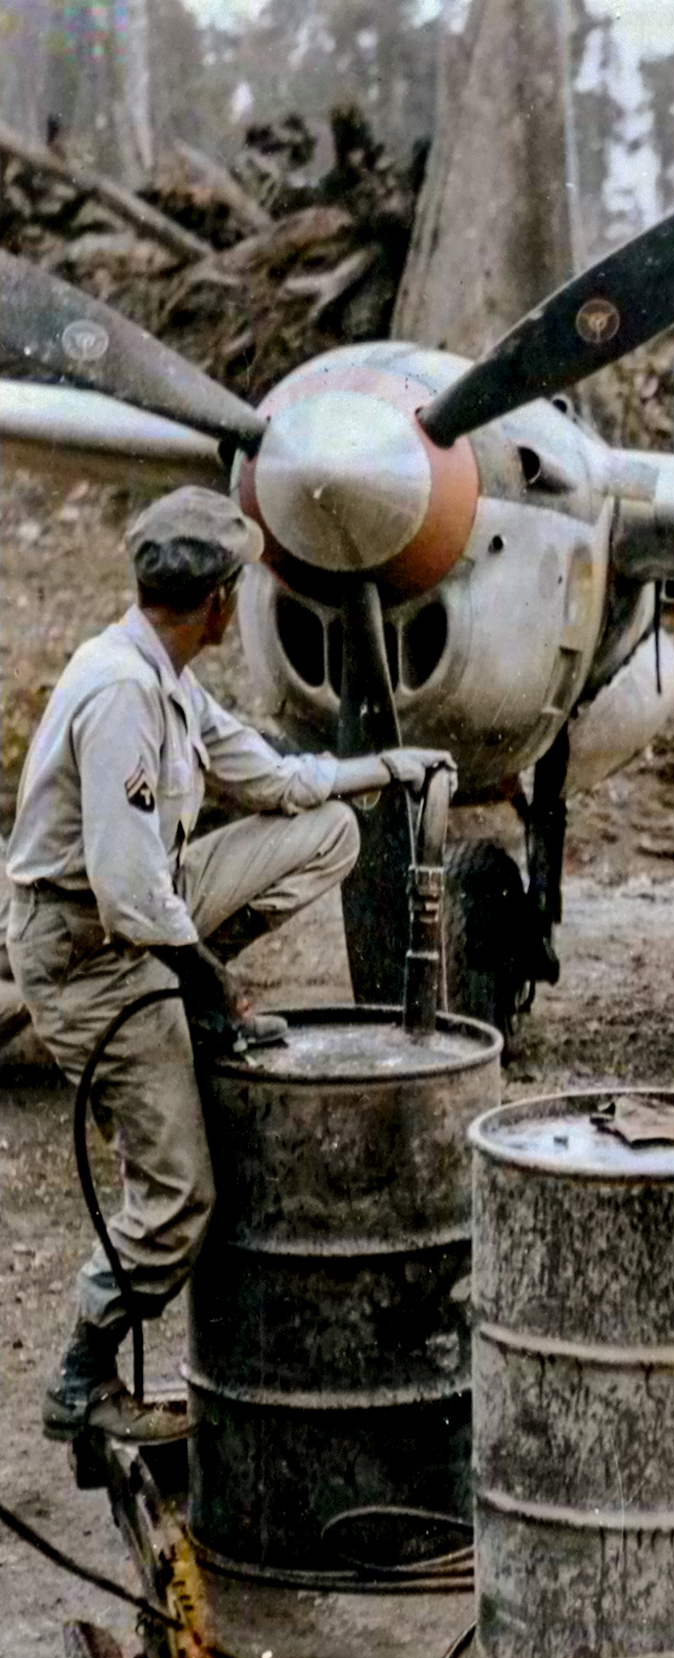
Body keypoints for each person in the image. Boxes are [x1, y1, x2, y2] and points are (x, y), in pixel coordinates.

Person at [8, 487, 451, 1442]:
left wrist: (390, 766)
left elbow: (271, 778)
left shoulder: (161, 671)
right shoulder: (121, 691)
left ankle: (192, 993)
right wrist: (214, 985)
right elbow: (127, 896)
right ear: (216, 601)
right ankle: (80, 1379)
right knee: (179, 1199)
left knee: (327, 830)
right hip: (87, 955)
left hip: (144, 916)